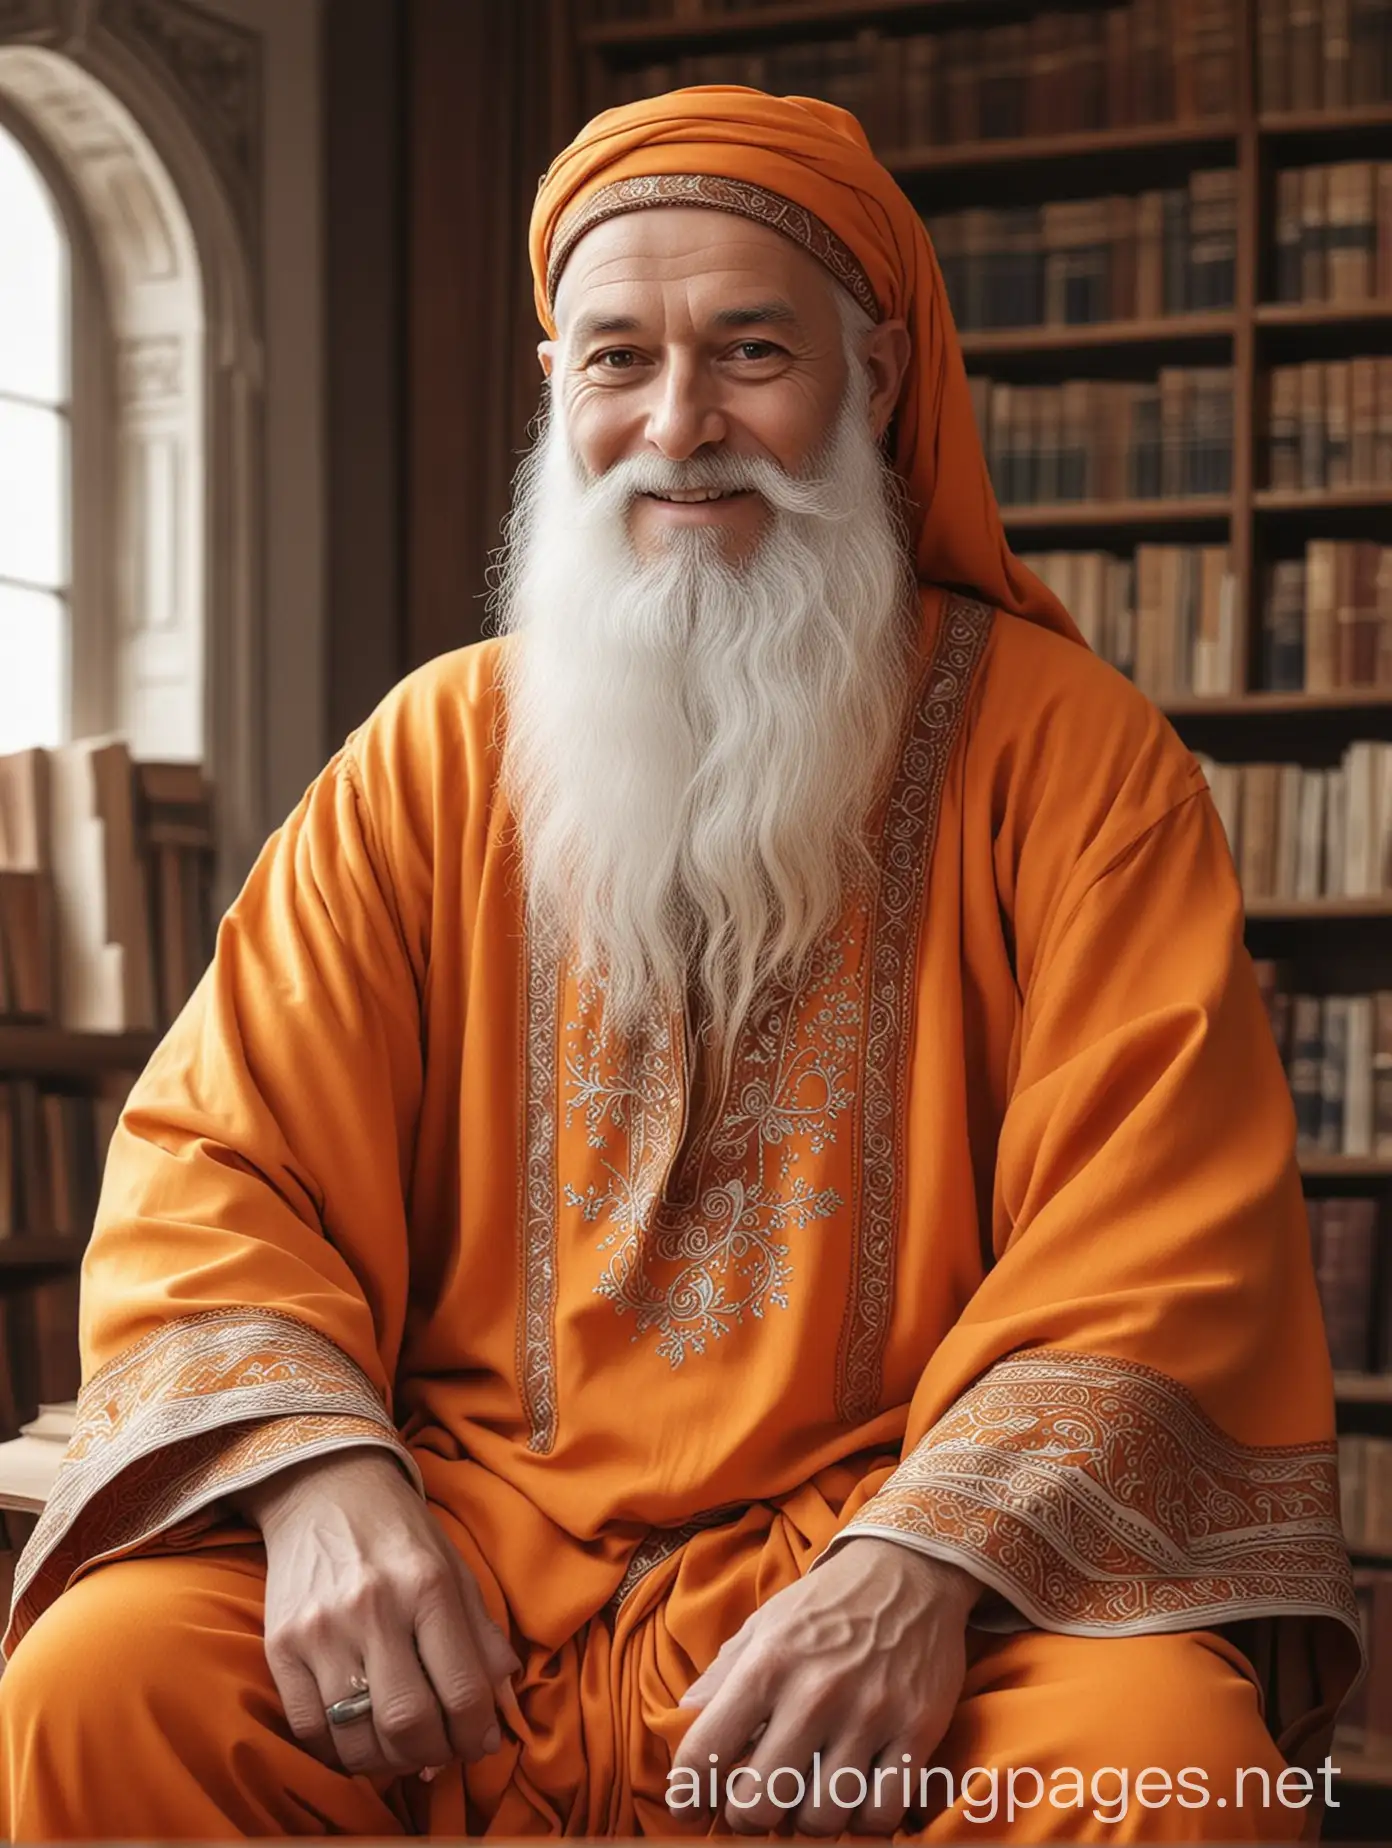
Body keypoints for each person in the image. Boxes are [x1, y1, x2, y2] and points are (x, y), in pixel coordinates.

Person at [0, 86, 1360, 1842]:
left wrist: (921, 1570)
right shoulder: (428, 759)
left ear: (873, 379)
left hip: (905, 1571)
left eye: (750, 351)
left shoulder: (1073, 759)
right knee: (101, 1693)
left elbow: (1157, 1242)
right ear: (557, 391)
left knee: (1175, 1777)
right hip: (464, 1566)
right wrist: (325, 1483)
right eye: (616, 360)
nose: (679, 424)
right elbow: (220, 1170)